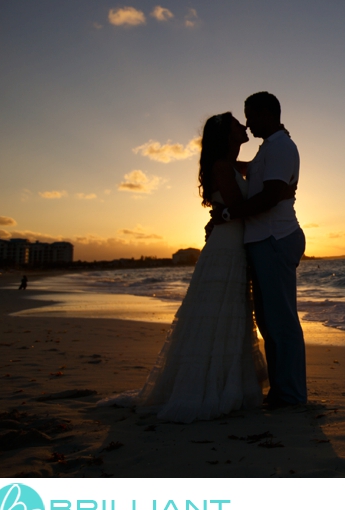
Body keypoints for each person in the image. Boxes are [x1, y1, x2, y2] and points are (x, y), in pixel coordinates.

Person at [99, 112, 280, 423]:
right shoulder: (222, 167)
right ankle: (209, 388)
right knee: (218, 313)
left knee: (229, 314)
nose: (244, 126)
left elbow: (257, 173)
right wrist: (231, 211)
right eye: (238, 123)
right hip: (226, 248)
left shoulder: (232, 165)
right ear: (226, 134)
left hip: (233, 245)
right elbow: (239, 207)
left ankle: (226, 383)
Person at [217, 92, 306, 408]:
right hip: (264, 240)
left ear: (269, 113)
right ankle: (281, 391)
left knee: (281, 320)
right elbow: (253, 174)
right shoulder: (268, 149)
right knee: (269, 321)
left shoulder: (281, 146)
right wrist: (222, 163)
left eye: (251, 115)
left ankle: (292, 395)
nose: (248, 122)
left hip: (275, 238)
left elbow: (270, 196)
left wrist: (228, 214)